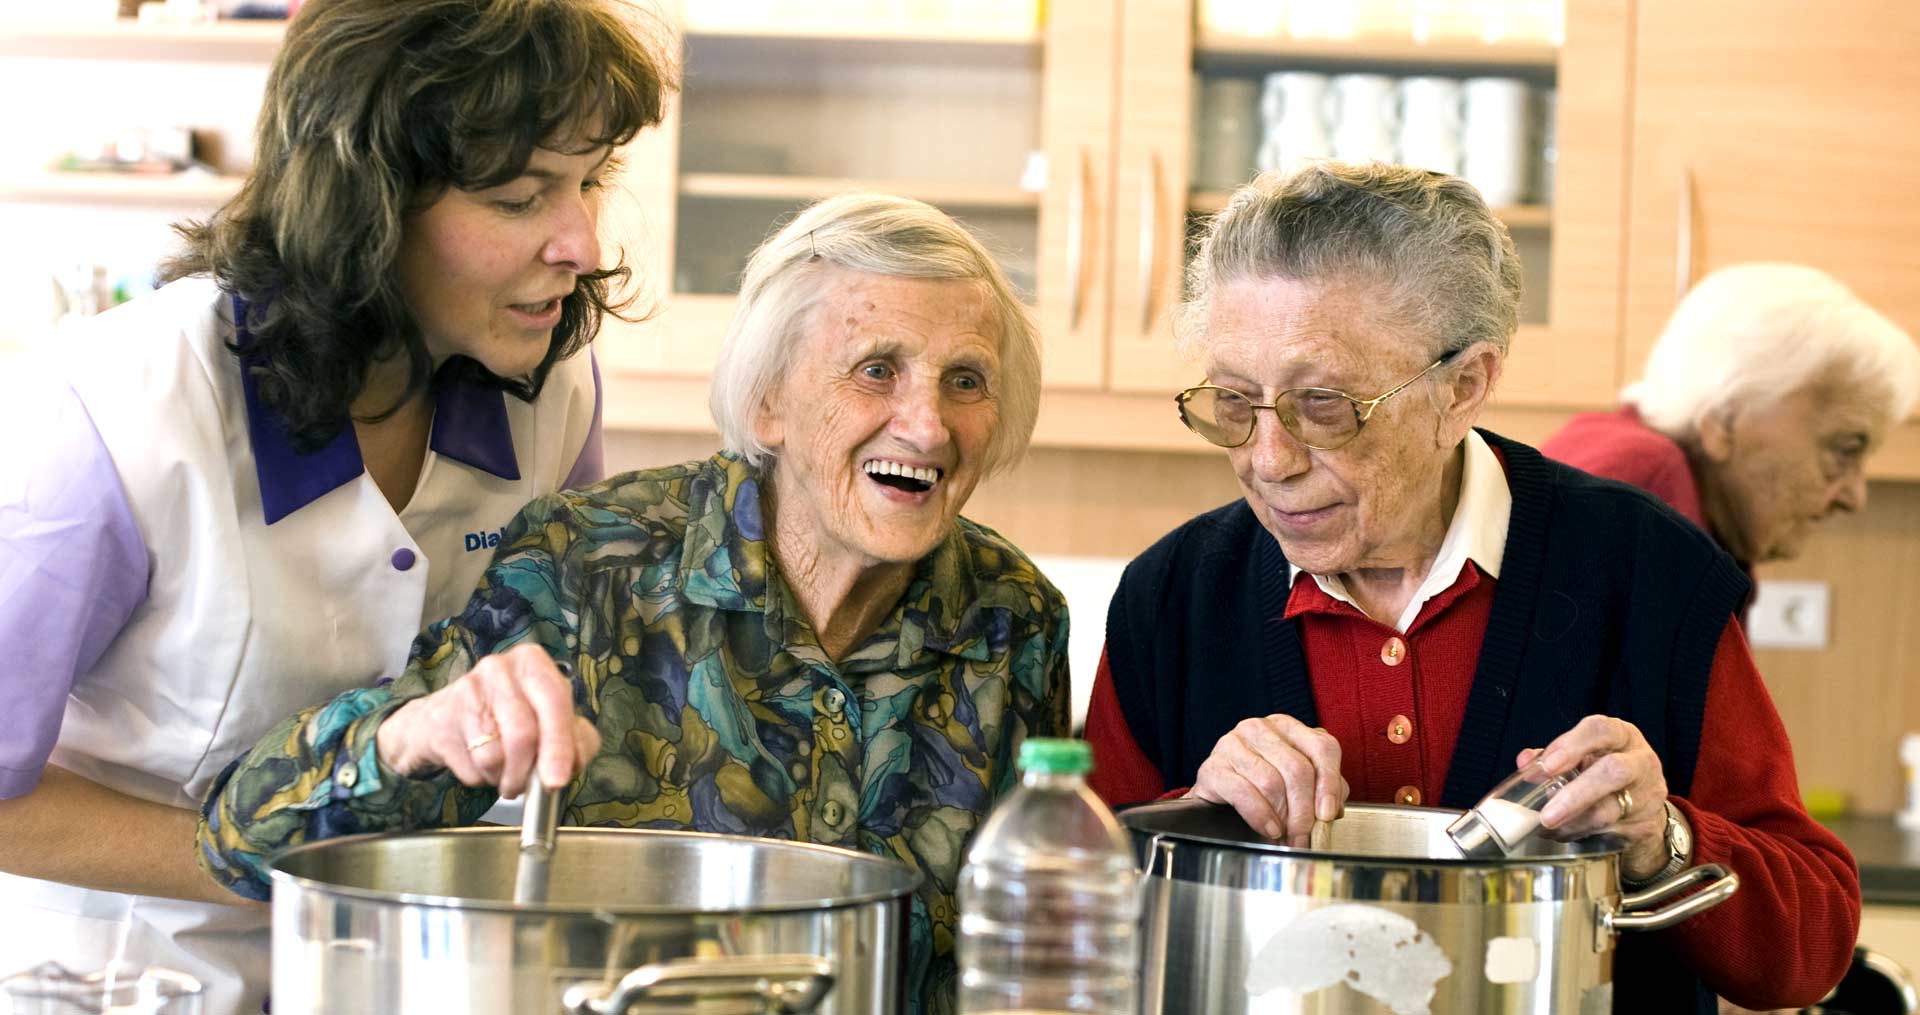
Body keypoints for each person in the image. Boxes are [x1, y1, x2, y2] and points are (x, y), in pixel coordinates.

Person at [197, 193, 1069, 1015]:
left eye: (967, 380)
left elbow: (1024, 951)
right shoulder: (593, 563)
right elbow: (248, 845)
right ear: (770, 402)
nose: (927, 425)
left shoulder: (1013, 616)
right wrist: (414, 733)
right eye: (877, 370)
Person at [0, 1, 673, 1010]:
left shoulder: (554, 389)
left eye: (589, 184)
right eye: (524, 196)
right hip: (132, 978)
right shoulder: (117, 409)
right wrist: (301, 870)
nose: (579, 241)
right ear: (370, 201)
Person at [1081, 163, 1859, 1013]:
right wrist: (1189, 816)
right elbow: (1076, 923)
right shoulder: (1173, 596)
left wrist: (1661, 838)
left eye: (1325, 405)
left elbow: (1812, 945)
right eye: (1233, 402)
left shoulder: (1650, 575)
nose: (1269, 461)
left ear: (1464, 388)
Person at [1542, 263, 1919, 569]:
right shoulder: (1645, 486)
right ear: (1725, 420)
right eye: (1845, 450)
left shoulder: (1710, 513)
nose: (1855, 497)